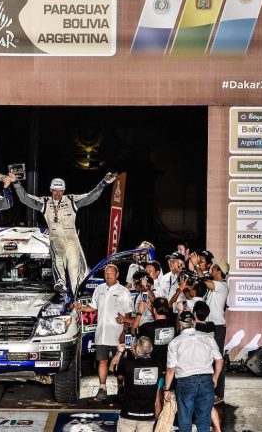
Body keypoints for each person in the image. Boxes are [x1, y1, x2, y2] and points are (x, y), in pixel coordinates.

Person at [11, 172, 116, 293]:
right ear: (51, 190)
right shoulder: (44, 202)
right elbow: (25, 198)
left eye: (60, 191)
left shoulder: (71, 200)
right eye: (55, 191)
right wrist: (16, 182)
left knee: (74, 267)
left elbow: (91, 196)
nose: (57, 194)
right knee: (58, 256)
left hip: (72, 238)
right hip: (56, 237)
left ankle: (75, 293)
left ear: (63, 191)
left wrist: (103, 183)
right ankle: (60, 282)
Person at [73, 264, 133, 401]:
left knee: (120, 363)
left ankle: (121, 387)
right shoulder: (99, 289)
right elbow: (93, 307)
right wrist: (81, 307)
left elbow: (128, 314)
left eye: (111, 273)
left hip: (118, 333)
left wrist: (124, 331)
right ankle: (102, 388)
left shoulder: (124, 291)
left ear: (117, 275)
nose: (108, 275)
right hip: (102, 333)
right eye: (106, 273)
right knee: (102, 361)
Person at [164, 306, 224, 432]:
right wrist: (215, 377)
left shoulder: (175, 342)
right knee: (204, 421)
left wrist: (167, 389)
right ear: (194, 322)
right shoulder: (207, 337)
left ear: (180, 324)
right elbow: (219, 360)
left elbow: (171, 369)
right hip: (206, 381)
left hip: (185, 382)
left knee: (185, 421)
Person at [109, 336, 160, 431]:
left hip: (128, 414)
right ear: (151, 349)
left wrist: (119, 352)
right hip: (148, 415)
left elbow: (112, 367)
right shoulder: (158, 365)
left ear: (137, 350)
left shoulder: (128, 365)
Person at [201, 259, 230, 403]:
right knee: (207, 359)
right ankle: (208, 391)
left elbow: (205, 282)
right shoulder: (215, 285)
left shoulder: (222, 286)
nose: (211, 268)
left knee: (217, 359)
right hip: (209, 325)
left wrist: (197, 267)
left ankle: (218, 393)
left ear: (219, 271)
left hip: (217, 327)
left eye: (214, 267)